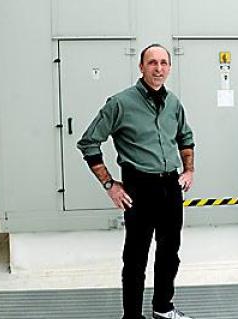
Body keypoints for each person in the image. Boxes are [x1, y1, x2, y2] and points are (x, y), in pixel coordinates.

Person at [77, 44, 195, 319]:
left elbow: (185, 138)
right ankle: (131, 316)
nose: (158, 68)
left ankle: (163, 308)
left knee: (169, 253)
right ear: (141, 67)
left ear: (169, 68)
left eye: (164, 63)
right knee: (136, 256)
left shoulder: (174, 103)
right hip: (139, 187)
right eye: (152, 62)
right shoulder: (120, 103)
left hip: (170, 187)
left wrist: (188, 170)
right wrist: (110, 184)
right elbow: (88, 142)